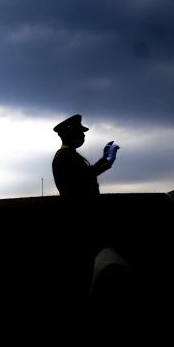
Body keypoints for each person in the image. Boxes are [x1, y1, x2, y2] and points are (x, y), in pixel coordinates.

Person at [51, 114, 120, 307]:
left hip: (81, 220)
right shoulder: (65, 157)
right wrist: (107, 160)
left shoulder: (69, 156)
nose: (83, 136)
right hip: (80, 221)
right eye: (79, 132)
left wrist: (106, 160)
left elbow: (87, 175)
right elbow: (83, 180)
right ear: (68, 134)